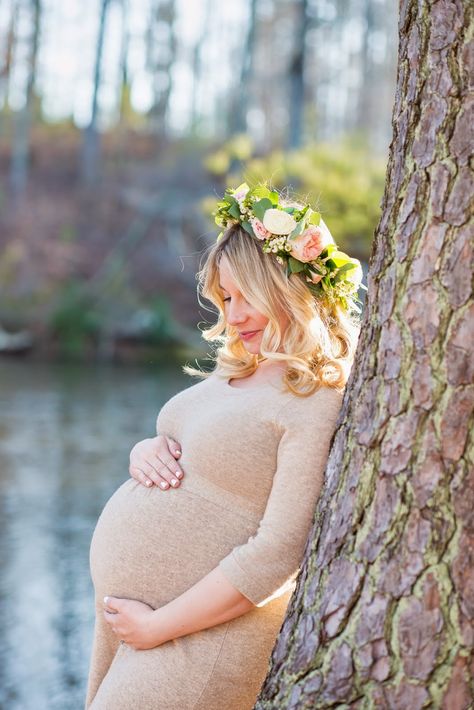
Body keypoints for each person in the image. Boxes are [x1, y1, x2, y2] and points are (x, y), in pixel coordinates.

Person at [84, 183, 365, 709]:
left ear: (288, 289)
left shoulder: (315, 396)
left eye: (246, 296)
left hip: (198, 638)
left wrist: (159, 626)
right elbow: (191, 448)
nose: (233, 317)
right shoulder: (239, 370)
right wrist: (145, 450)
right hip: (138, 626)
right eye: (226, 298)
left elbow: (281, 550)